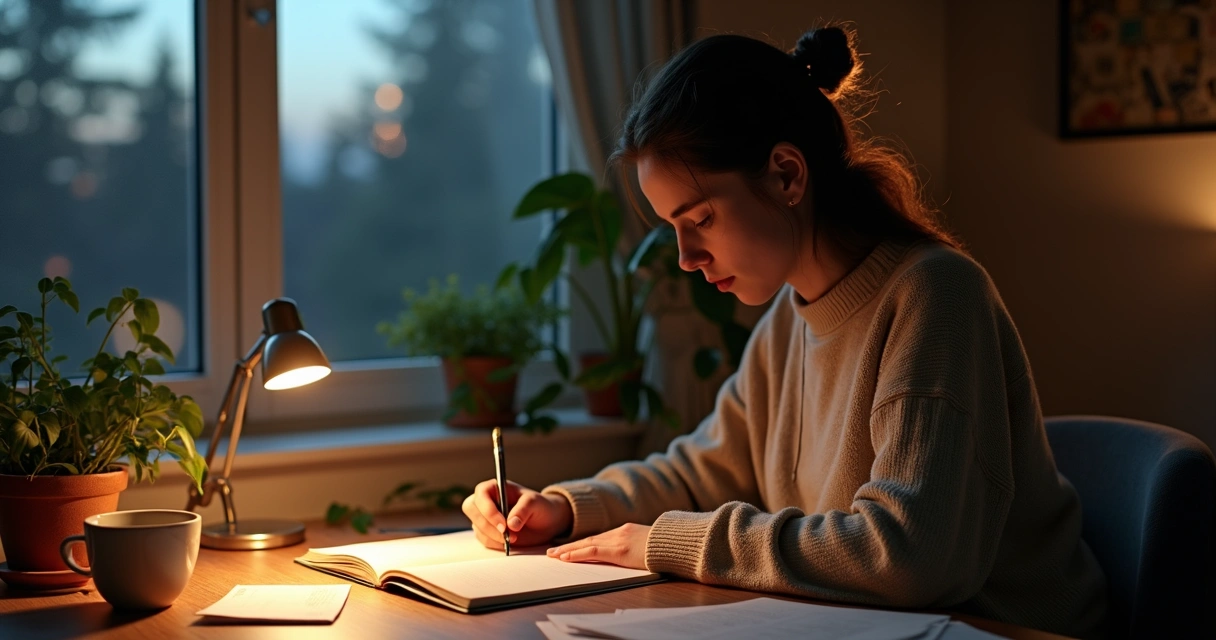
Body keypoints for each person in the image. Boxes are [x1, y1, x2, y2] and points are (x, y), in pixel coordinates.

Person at [462, 26, 1107, 638]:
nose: (686, 257)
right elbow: (701, 473)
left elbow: (907, 553)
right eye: (673, 229)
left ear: (787, 174)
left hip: (1010, 631)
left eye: (702, 219)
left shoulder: (934, 297)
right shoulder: (787, 319)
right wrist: (565, 509)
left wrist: (664, 541)